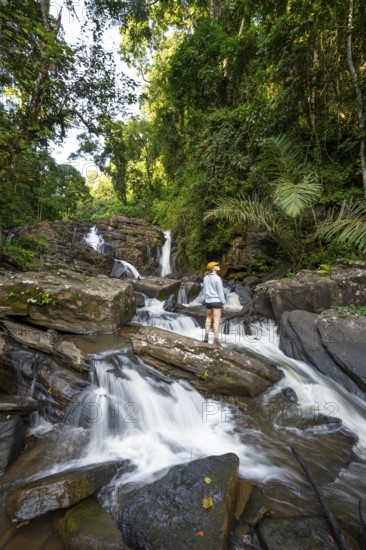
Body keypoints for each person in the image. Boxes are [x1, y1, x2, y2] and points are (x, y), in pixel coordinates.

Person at [203, 261, 226, 347]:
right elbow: (220, 292)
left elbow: (204, 290)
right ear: (213, 268)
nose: (218, 266)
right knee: (216, 320)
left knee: (208, 318)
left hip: (208, 301)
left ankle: (206, 336)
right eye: (216, 265)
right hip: (216, 301)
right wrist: (223, 303)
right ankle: (215, 341)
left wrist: (206, 299)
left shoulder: (205, 278)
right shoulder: (217, 278)